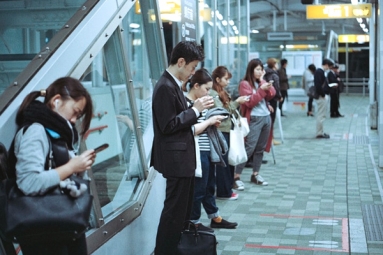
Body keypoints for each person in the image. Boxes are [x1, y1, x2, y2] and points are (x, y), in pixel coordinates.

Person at [14, 77, 95, 255]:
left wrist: (79, 167)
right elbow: (28, 181)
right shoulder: (36, 131)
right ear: (56, 100)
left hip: (59, 227)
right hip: (45, 232)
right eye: (75, 112)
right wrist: (72, 167)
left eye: (78, 116)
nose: (74, 120)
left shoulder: (55, 132)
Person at [151, 41, 214, 255]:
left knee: (180, 214)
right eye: (192, 67)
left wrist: (194, 110)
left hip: (182, 159)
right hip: (176, 161)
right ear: (180, 62)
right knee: (173, 214)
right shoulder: (165, 87)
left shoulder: (172, 85)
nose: (193, 72)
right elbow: (168, 125)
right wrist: (195, 110)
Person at [184, 68, 237, 231]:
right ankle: (194, 222)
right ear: (196, 86)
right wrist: (209, 122)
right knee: (199, 188)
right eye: (206, 89)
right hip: (197, 152)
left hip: (207, 150)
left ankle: (214, 216)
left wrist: (212, 121)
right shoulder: (187, 104)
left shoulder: (201, 102)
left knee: (208, 186)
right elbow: (190, 130)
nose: (208, 92)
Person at [234, 59, 275, 190]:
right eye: (257, 69)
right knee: (249, 148)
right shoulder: (244, 84)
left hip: (266, 118)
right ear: (251, 70)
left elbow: (272, 93)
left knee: (260, 148)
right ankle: (235, 176)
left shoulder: (260, 82)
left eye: (261, 69)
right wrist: (261, 90)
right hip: (254, 119)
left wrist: (263, 81)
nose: (260, 72)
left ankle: (255, 174)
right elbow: (250, 102)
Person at [210, 66, 248, 194]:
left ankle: (227, 188)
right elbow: (223, 111)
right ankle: (224, 191)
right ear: (217, 79)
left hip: (227, 130)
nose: (228, 82)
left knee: (229, 160)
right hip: (221, 130)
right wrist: (237, 102)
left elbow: (229, 109)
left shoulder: (221, 92)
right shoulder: (213, 93)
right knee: (224, 163)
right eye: (226, 79)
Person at [264, 58, 282, 146]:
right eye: (277, 64)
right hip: (273, 98)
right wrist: (279, 96)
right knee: (272, 119)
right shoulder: (274, 75)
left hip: (266, 98)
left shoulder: (265, 73)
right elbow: (277, 87)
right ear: (274, 64)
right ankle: (271, 139)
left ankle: (269, 139)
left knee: (268, 119)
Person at [314, 58, 334, 139]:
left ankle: (320, 132)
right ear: (325, 65)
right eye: (329, 67)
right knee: (321, 115)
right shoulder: (319, 72)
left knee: (322, 115)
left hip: (322, 96)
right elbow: (318, 85)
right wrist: (323, 94)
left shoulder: (320, 72)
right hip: (321, 96)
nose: (328, 69)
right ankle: (319, 133)